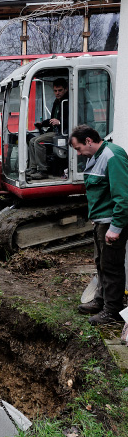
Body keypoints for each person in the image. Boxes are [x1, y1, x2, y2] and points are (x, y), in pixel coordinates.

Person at [70, 124, 128, 326]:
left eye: (78, 149)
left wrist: (116, 228)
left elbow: (123, 196)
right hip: (101, 221)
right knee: (100, 263)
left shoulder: (112, 156)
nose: (78, 154)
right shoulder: (96, 157)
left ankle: (112, 310)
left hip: (111, 222)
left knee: (111, 266)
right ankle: (102, 300)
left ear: (88, 141)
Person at [27, 78, 69, 180]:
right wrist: (42, 124)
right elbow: (52, 119)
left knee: (38, 141)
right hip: (55, 131)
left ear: (66, 89)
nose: (57, 93)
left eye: (60, 90)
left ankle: (43, 170)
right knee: (32, 140)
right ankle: (33, 168)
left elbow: (73, 119)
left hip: (63, 132)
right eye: (55, 91)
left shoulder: (68, 102)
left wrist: (59, 123)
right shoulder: (57, 102)